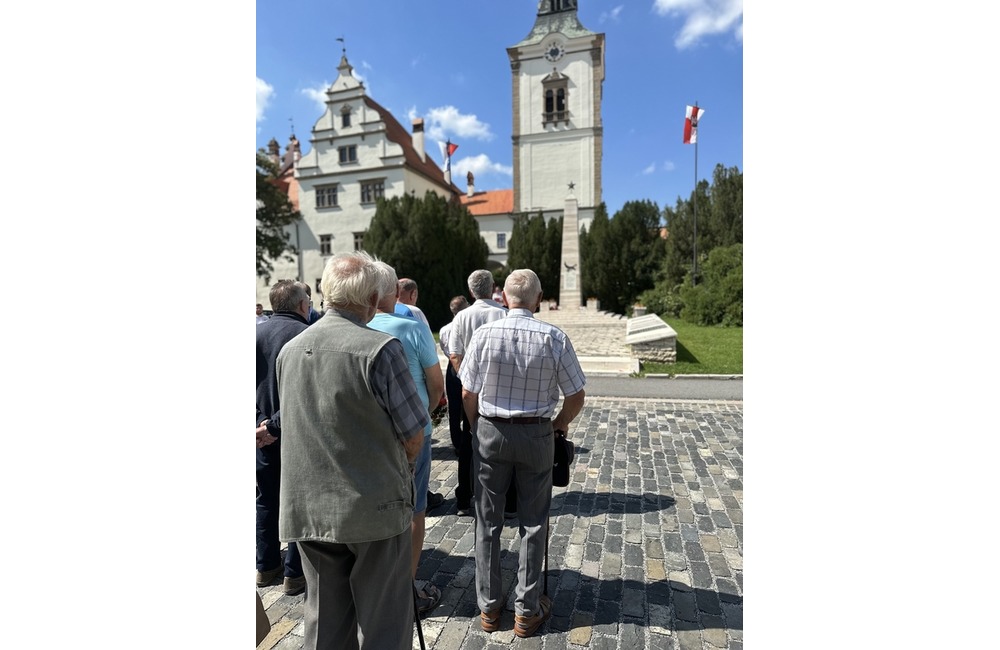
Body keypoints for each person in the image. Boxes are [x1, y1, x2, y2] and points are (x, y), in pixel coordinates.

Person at [277, 251, 429, 650]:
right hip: (373, 508)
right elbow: (415, 434)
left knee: (324, 624)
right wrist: (400, 470)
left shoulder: (290, 350)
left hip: (309, 507)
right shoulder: (381, 348)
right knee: (383, 628)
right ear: (372, 298)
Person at [459, 269, 586, 638]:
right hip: (535, 433)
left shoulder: (484, 334)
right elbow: (576, 394)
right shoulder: (553, 337)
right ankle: (526, 611)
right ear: (538, 298)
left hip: (491, 430)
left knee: (488, 521)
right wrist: (558, 426)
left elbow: (467, 393)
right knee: (534, 522)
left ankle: (488, 608)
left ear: (504, 297)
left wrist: (474, 425)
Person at [368, 261, 445, 614]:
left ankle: (375, 582)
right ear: (396, 293)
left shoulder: (359, 325)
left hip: (371, 434)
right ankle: (407, 586)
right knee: (414, 510)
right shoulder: (411, 327)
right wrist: (424, 417)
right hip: (413, 431)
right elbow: (436, 383)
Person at [255, 280, 311, 596]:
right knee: (298, 502)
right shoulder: (305, 335)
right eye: (308, 298)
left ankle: (265, 566)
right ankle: (294, 573)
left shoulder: (255, 334)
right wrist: (272, 427)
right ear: (302, 304)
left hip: (263, 435)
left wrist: (260, 425)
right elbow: (304, 394)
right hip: (295, 434)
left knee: (266, 499)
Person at [447, 269, 517, 517]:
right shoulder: (504, 313)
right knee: (506, 444)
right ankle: (508, 502)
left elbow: (454, 354)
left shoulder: (462, 317)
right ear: (493, 287)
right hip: (499, 389)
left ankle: (465, 498)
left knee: (468, 442)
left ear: (470, 291)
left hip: (471, 391)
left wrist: (468, 380)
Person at [394, 276, 443, 509]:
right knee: (417, 482)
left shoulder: (367, 317)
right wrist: (430, 407)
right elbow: (430, 364)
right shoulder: (414, 314)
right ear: (412, 294)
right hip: (414, 406)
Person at [438, 295, 473, 514]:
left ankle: (457, 442)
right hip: (466, 365)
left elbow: (446, 350)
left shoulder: (444, 329)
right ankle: (467, 438)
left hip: (453, 368)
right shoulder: (466, 324)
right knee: (466, 406)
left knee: (454, 409)